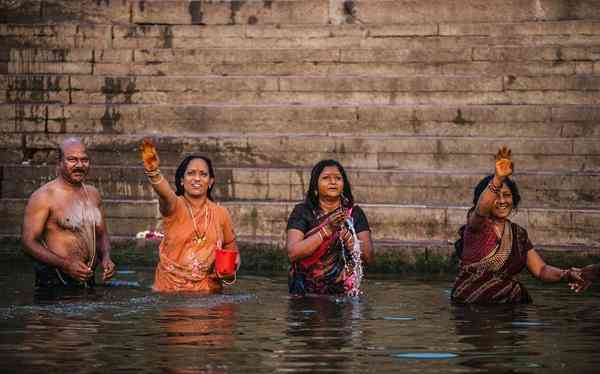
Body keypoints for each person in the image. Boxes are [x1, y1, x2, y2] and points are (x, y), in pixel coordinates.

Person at [451, 146, 583, 304]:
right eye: (496, 196)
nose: (501, 201)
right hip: (471, 309)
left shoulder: (518, 234)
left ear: (514, 200)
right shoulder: (477, 225)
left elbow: (541, 270)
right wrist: (498, 179)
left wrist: (566, 274)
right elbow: (481, 209)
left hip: (506, 308)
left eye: (506, 195)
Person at [140, 139, 239, 292]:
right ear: (181, 181)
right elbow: (165, 194)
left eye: (203, 174)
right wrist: (153, 173)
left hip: (208, 295)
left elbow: (233, 253)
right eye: (191, 173)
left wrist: (228, 271)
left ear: (210, 181)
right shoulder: (174, 206)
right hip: (170, 293)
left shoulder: (221, 213)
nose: (197, 179)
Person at [21, 137, 115, 288]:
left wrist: (106, 257)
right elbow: (28, 243)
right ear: (59, 162)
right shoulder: (44, 196)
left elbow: (101, 234)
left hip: (87, 278)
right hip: (55, 281)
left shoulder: (93, 194)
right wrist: (65, 264)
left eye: (84, 160)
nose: (79, 165)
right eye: (72, 159)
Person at [286, 159, 374, 296]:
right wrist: (326, 230)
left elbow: (368, 257)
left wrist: (348, 238)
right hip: (304, 293)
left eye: (338, 178)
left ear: (343, 185)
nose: (333, 182)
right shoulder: (303, 211)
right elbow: (293, 253)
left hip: (342, 293)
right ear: (315, 186)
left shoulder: (354, 214)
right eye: (326, 178)